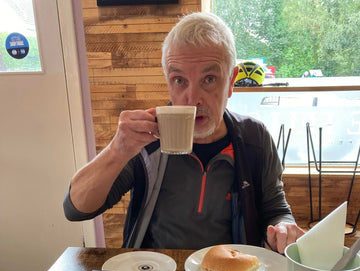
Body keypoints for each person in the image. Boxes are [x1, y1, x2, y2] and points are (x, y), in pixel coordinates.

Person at [63, 12, 304, 254]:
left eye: (209, 79)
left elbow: (274, 208)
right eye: (179, 80)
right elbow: (75, 209)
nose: (192, 99)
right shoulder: (145, 138)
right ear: (168, 83)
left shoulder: (255, 138)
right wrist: (118, 150)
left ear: (231, 82)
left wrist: (283, 228)